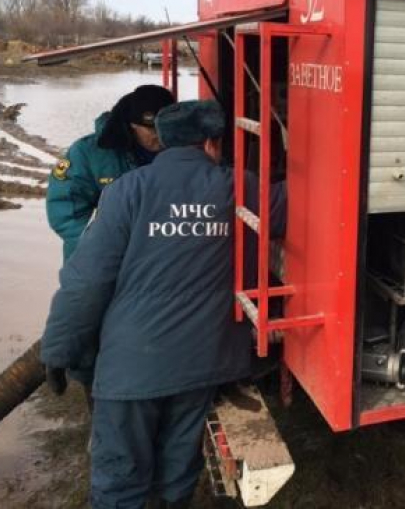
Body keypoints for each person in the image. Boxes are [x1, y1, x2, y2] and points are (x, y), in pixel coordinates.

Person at [40, 100, 285, 509]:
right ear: (211, 143)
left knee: (121, 479)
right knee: (177, 469)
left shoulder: (126, 191)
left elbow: (85, 282)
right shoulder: (242, 188)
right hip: (202, 363)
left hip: (132, 369)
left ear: (163, 144)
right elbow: (304, 201)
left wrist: (59, 350)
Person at [46, 84, 175, 261]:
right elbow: (65, 210)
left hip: (161, 260)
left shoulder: (186, 151)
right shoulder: (86, 153)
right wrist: (106, 247)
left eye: (166, 128)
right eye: (152, 129)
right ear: (132, 125)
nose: (159, 135)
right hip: (103, 259)